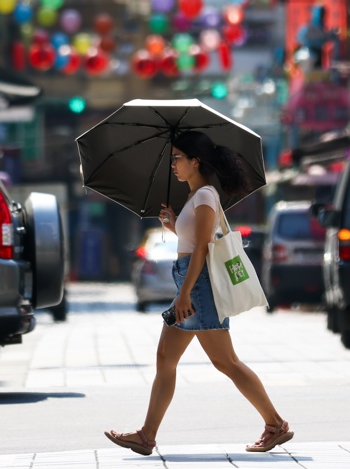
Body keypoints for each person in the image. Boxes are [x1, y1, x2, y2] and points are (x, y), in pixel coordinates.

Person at [105, 130, 292, 456]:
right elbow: (192, 240)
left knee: (226, 362)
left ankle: (275, 424)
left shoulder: (205, 197)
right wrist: (174, 224)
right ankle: (146, 436)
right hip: (189, 283)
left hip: (199, 286)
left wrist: (185, 293)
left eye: (178, 158)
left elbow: (203, 251)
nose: (173, 165)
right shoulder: (196, 198)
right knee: (166, 358)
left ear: (196, 161)